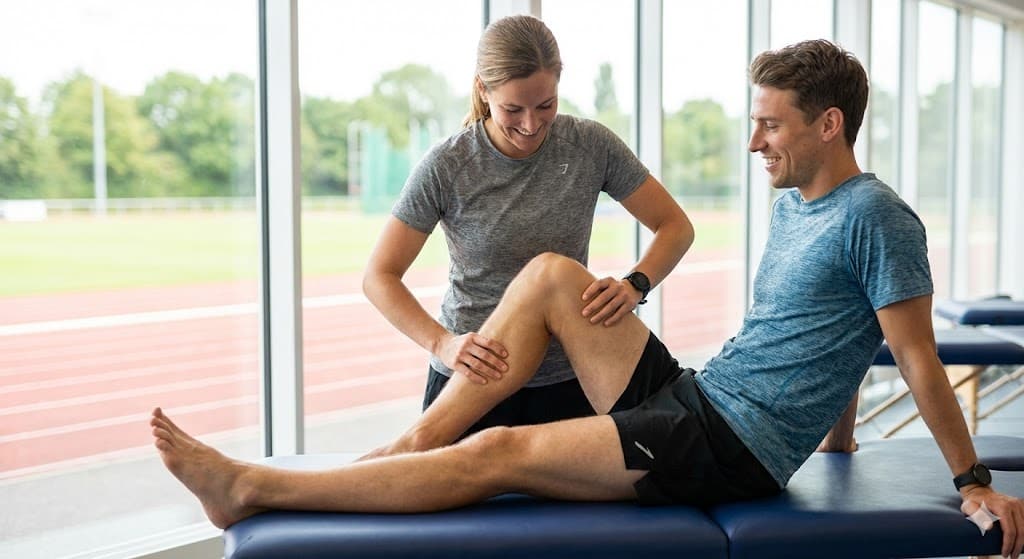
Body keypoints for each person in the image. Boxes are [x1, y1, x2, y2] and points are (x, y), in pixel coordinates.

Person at [153, 39, 1023, 558]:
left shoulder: (877, 215)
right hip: (702, 398)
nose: (753, 139)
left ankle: (250, 486)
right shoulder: (802, 205)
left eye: (770, 124)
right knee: (549, 274)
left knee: (496, 450)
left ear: (827, 124)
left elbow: (910, 354)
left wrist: (972, 481)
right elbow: (834, 337)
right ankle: (399, 450)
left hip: (726, 447)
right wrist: (836, 445)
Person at [361, 14, 693, 439]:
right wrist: (442, 343)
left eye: (545, 105)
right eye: (512, 109)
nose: (531, 125)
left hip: (570, 380)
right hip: (474, 379)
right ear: (483, 89)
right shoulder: (447, 166)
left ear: (559, 84)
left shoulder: (591, 145)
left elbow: (675, 226)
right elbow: (379, 277)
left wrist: (636, 284)